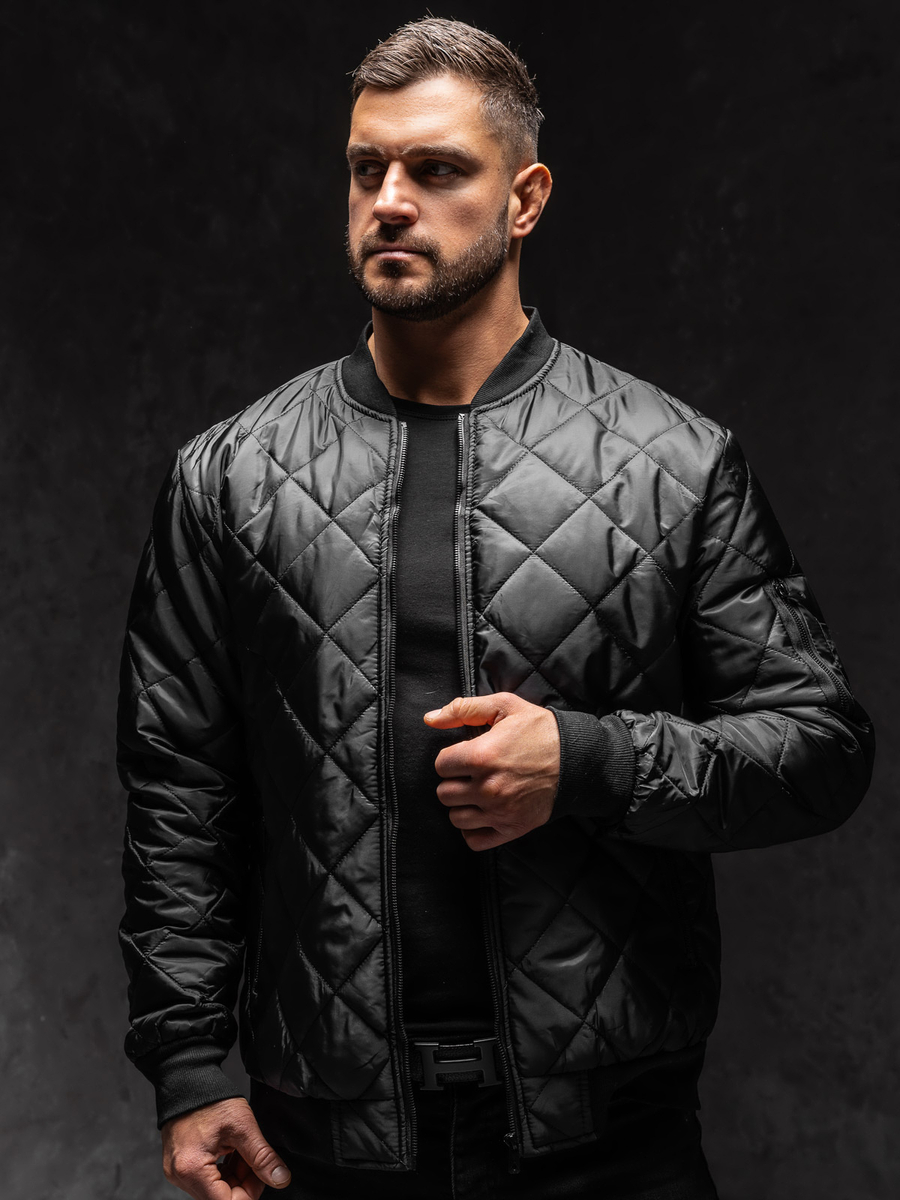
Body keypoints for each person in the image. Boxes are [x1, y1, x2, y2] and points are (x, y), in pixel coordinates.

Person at [117, 17, 875, 1200]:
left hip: (610, 1145)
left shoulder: (673, 465)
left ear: (525, 199)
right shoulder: (231, 478)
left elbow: (820, 752)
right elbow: (180, 792)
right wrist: (189, 1065)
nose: (390, 202)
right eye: (367, 168)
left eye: (436, 169)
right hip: (325, 1144)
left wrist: (588, 762)